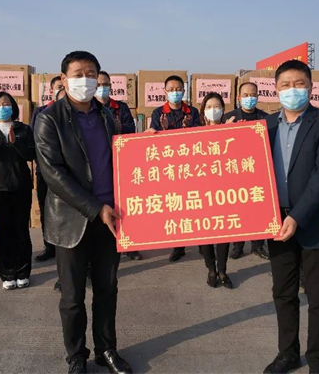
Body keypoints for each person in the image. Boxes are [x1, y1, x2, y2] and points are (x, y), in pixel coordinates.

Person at [34, 51, 132, 374]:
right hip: (71, 220)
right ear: (64, 79)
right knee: (72, 297)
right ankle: (76, 356)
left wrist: (146, 146)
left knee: (107, 289)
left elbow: (121, 156)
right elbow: (53, 175)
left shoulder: (106, 117)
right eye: (78, 74)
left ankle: (106, 350)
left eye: (91, 74)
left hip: (110, 218)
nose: (86, 80)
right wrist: (94, 208)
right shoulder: (49, 119)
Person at [264, 60, 319, 374]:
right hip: (275, 221)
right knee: (283, 293)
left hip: (314, 222)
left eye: (299, 84)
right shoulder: (265, 126)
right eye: (285, 84)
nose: (292, 90)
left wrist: (296, 216)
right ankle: (288, 353)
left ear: (310, 87)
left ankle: (318, 360)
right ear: (276, 89)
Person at [0, 92, 36, 290]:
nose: (2, 107)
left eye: (6, 103)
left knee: (21, 230)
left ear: (13, 107)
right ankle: (7, 273)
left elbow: (31, 154)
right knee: (2, 232)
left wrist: (15, 142)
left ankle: (23, 272)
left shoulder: (24, 129)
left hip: (21, 186)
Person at [149, 75, 200, 262]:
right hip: (168, 167)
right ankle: (179, 246)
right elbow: (153, 137)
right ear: (165, 92)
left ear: (184, 91)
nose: (175, 93)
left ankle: (202, 242)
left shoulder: (192, 112)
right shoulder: (158, 113)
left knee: (194, 204)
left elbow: (199, 135)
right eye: (171, 90)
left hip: (189, 166)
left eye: (178, 89)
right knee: (175, 207)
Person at [95, 71, 142, 261]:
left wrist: (119, 129)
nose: (102, 88)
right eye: (98, 85)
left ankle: (130, 245)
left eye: (105, 85)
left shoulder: (120, 108)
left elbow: (130, 132)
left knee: (124, 205)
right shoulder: (88, 109)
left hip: (121, 164)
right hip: (99, 165)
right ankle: (105, 247)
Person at [225, 81, 270, 261]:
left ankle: (258, 245)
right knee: (237, 210)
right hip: (235, 172)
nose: (249, 98)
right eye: (246, 95)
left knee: (258, 209)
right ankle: (237, 245)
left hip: (257, 171)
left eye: (253, 95)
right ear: (239, 97)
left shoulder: (266, 118)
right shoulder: (229, 118)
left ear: (257, 97)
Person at [196, 92, 235, 289]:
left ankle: (222, 270)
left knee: (223, 235)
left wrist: (235, 131)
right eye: (209, 107)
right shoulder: (195, 134)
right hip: (201, 193)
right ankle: (211, 269)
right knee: (205, 235)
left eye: (217, 107)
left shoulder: (231, 131)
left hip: (224, 192)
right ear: (203, 112)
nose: (213, 110)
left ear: (223, 110)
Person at [32, 76, 65, 265]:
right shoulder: (41, 112)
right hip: (45, 171)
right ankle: (49, 247)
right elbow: (35, 141)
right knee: (47, 209)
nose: (62, 90)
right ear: (51, 91)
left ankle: (66, 248)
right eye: (58, 87)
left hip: (69, 172)